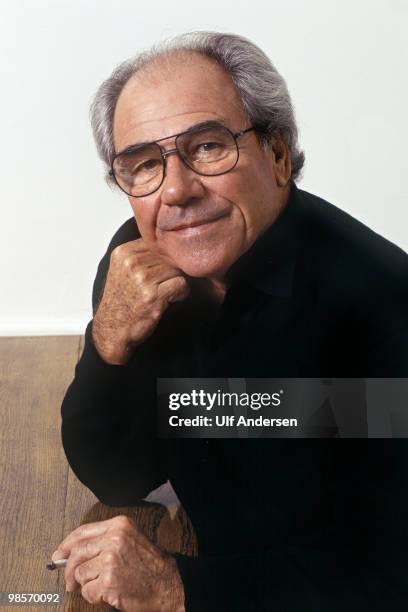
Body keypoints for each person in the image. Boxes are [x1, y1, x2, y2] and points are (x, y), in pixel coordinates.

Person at [54, 31, 408, 611]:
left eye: (210, 146)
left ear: (277, 154)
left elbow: (388, 574)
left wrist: (177, 587)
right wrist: (108, 343)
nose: (177, 190)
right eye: (144, 164)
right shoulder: (137, 268)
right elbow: (119, 475)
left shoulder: (379, 306)